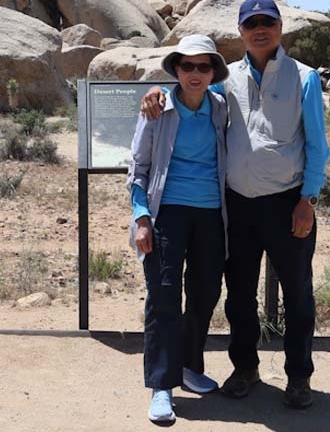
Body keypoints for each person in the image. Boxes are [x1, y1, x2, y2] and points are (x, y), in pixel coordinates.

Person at [141, 0, 330, 409]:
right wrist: (157, 92)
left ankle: (299, 376)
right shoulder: (226, 80)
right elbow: (188, 92)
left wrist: (308, 200)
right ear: (241, 31)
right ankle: (245, 368)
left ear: (280, 27)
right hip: (237, 206)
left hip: (288, 203)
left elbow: (318, 146)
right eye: (251, 24)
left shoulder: (305, 78)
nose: (260, 30)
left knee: (298, 294)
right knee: (239, 293)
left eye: (267, 22)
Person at [127, 34, 231, 425]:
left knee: (205, 292)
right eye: (187, 65)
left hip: (211, 214)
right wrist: (141, 218)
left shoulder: (220, 108)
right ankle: (162, 385)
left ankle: (188, 366)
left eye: (204, 66)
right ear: (176, 69)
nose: (195, 73)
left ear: (213, 72)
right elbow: (137, 168)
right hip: (166, 213)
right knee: (164, 296)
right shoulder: (157, 110)